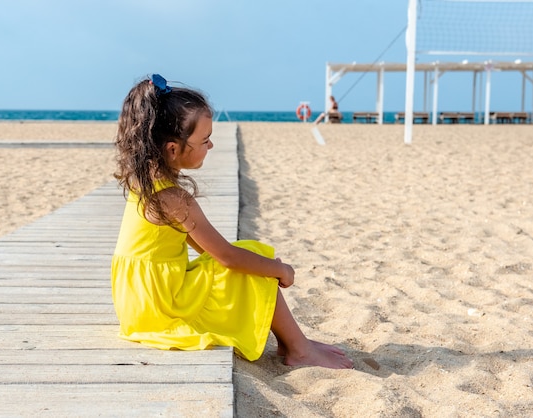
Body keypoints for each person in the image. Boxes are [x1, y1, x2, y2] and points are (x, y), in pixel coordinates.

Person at [111, 74, 353, 369]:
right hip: (162, 308)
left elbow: (208, 252)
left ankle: (294, 341)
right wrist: (279, 269)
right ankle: (299, 349)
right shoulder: (174, 199)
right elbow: (226, 257)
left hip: (138, 304)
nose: (211, 145)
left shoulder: (146, 183)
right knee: (254, 261)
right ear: (173, 149)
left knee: (249, 256)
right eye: (204, 139)